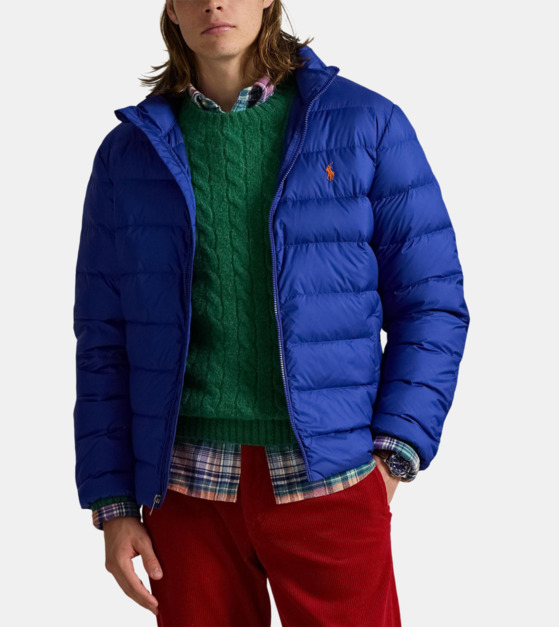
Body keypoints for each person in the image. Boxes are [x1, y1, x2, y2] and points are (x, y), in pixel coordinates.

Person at [73, 1, 470, 625]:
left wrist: (396, 451)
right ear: (171, 8)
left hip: (328, 477)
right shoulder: (129, 154)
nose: (214, 3)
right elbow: (103, 337)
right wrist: (114, 502)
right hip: (185, 485)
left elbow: (432, 303)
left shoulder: (366, 124)